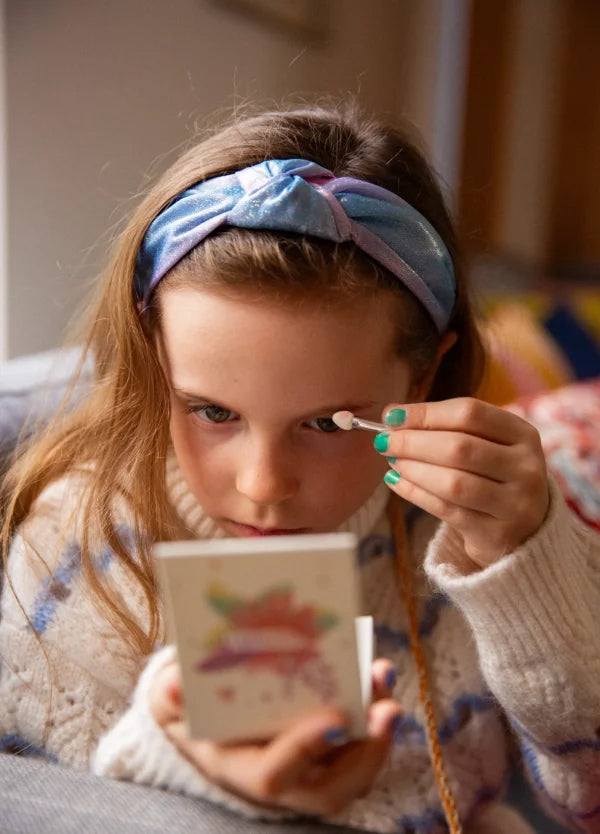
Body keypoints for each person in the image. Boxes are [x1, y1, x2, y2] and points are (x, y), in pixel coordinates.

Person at [0, 103, 598, 834]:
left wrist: (529, 576)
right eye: (213, 412)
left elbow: (584, 797)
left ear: (418, 380)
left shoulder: (473, 542)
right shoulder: (85, 535)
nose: (262, 485)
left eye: (324, 424)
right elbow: (33, 799)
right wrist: (176, 769)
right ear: (150, 349)